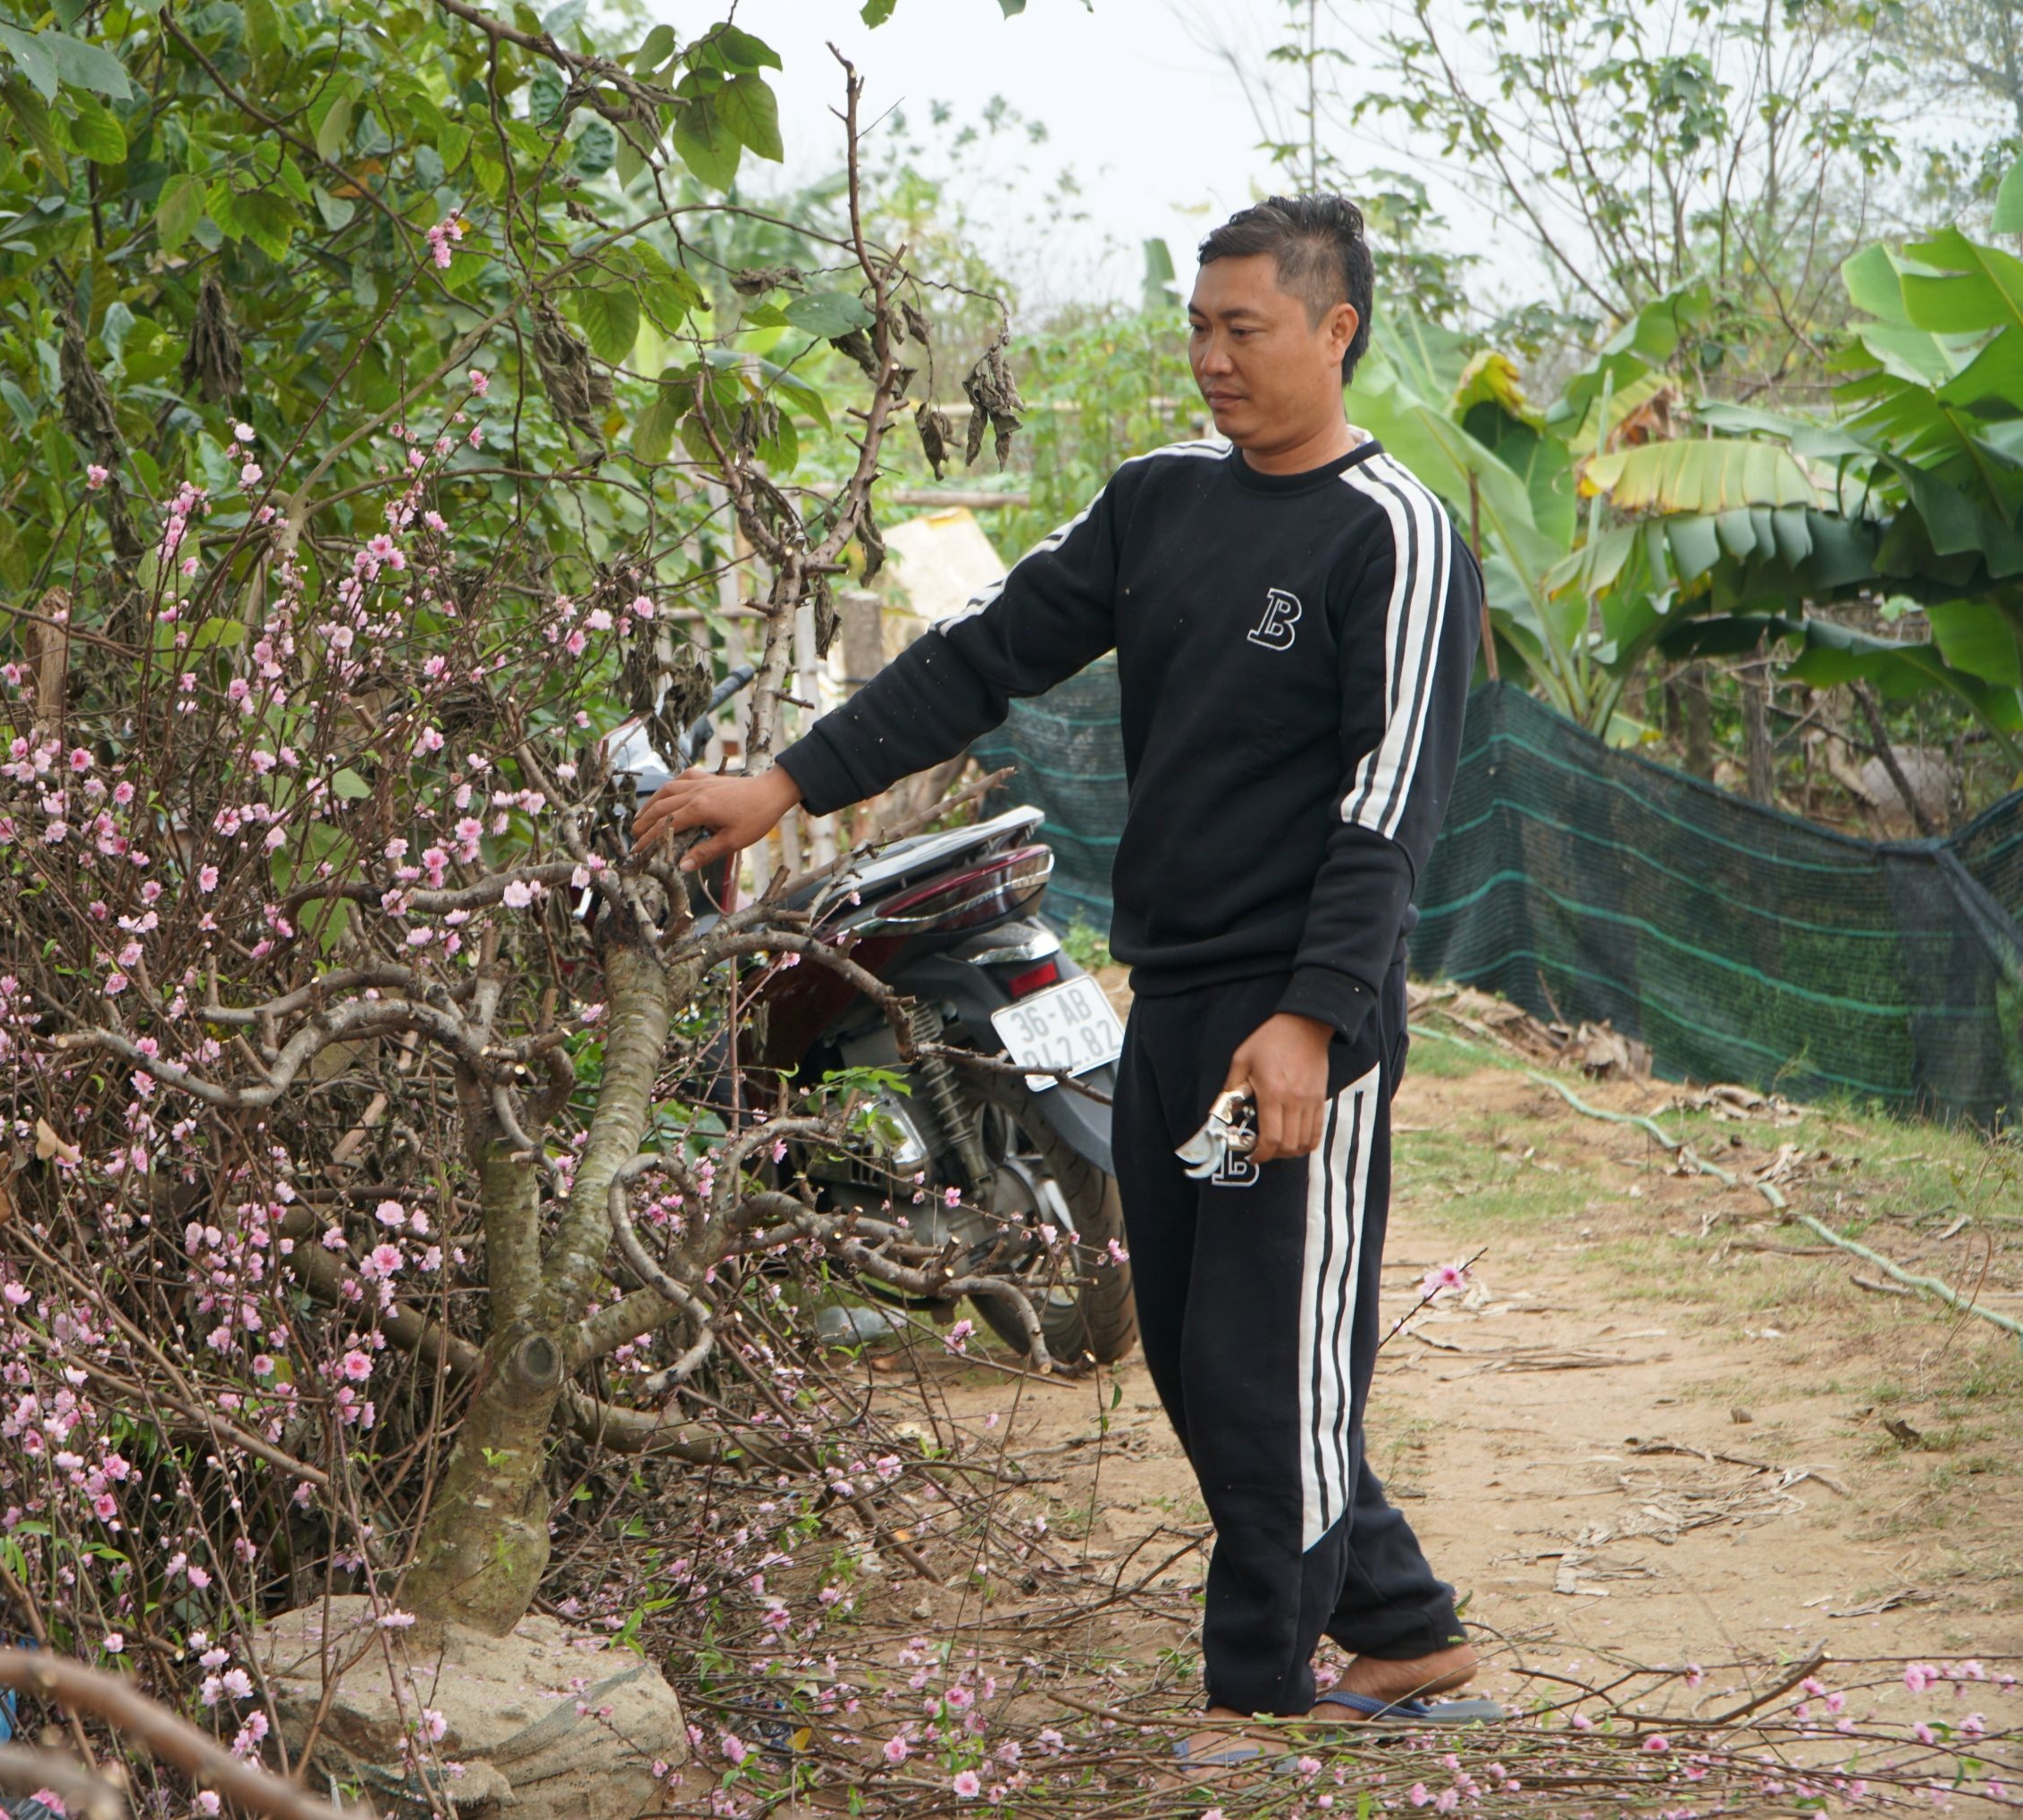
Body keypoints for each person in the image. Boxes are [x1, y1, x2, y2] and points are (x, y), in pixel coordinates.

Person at [632, 195, 1497, 1756]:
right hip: (1170, 992)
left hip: (1300, 1020)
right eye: (1201, 327)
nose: (1212, 359)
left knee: (1267, 1354)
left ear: (1336, 329)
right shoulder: (1161, 500)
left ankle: (1256, 1692)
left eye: (1246, 329)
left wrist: (1307, 1024)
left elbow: (1387, 816)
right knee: (1186, 1342)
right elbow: (985, 652)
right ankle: (1405, 1628)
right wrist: (785, 782)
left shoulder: (1397, 535)